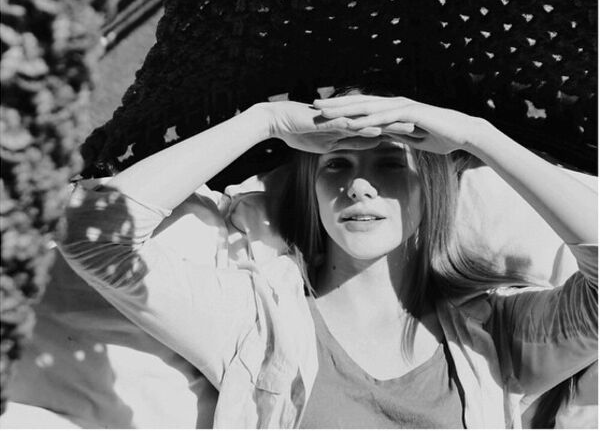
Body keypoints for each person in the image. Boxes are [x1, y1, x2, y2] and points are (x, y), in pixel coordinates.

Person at [57, 89, 597, 428]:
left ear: (430, 191)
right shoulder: (256, 323)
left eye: (390, 164)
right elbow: (92, 234)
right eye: (337, 165)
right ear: (313, 195)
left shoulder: (498, 337)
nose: (360, 186)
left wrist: (478, 137)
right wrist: (264, 121)